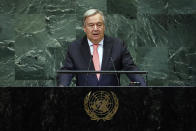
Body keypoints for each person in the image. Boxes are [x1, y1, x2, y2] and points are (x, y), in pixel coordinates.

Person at [58, 9, 146, 86]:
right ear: (84, 28)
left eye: (99, 24)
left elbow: (131, 69)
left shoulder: (118, 45)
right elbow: (67, 71)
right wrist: (62, 87)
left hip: (113, 98)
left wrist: (143, 86)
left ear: (104, 27)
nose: (95, 28)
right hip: (84, 98)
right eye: (91, 25)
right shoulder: (75, 47)